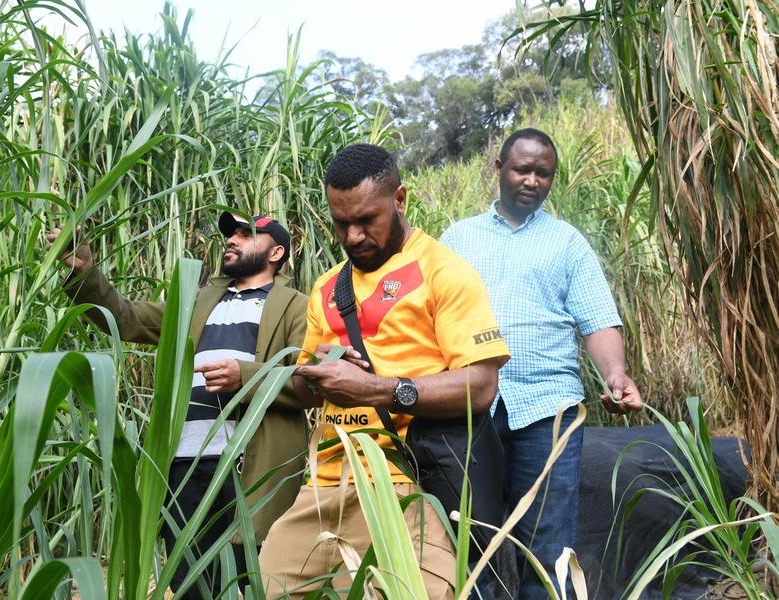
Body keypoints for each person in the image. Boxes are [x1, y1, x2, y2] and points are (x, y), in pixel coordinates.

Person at [258, 143, 511, 599]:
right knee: (266, 587)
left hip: (404, 482)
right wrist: (320, 370)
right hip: (324, 484)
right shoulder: (327, 287)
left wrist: (377, 389)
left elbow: (480, 386)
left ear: (400, 200)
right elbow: (303, 386)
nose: (353, 236)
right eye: (341, 223)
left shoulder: (444, 272)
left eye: (366, 220)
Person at [47, 211, 308, 598]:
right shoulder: (198, 299)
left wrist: (246, 376)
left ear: (277, 252)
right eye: (230, 234)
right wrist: (86, 273)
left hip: (249, 469)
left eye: (246, 234)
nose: (232, 240)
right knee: (188, 582)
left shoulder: (296, 306)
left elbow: (307, 381)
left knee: (246, 583)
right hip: (184, 464)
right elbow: (128, 318)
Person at [440, 128, 643, 599]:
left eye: (543, 173)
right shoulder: (457, 239)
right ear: (499, 170)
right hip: (469, 410)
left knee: (548, 548)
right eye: (522, 170)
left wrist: (615, 373)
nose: (532, 180)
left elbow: (598, 322)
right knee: (470, 544)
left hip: (548, 410)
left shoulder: (567, 244)